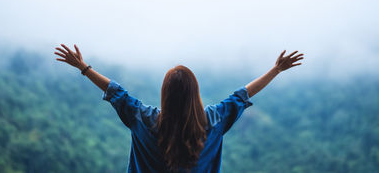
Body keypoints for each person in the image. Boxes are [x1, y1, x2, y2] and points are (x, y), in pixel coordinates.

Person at [55, 44, 304, 173]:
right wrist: (276, 69)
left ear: (165, 94)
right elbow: (242, 94)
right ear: (195, 95)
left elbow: (117, 92)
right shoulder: (213, 122)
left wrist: (83, 67)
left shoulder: (143, 119)